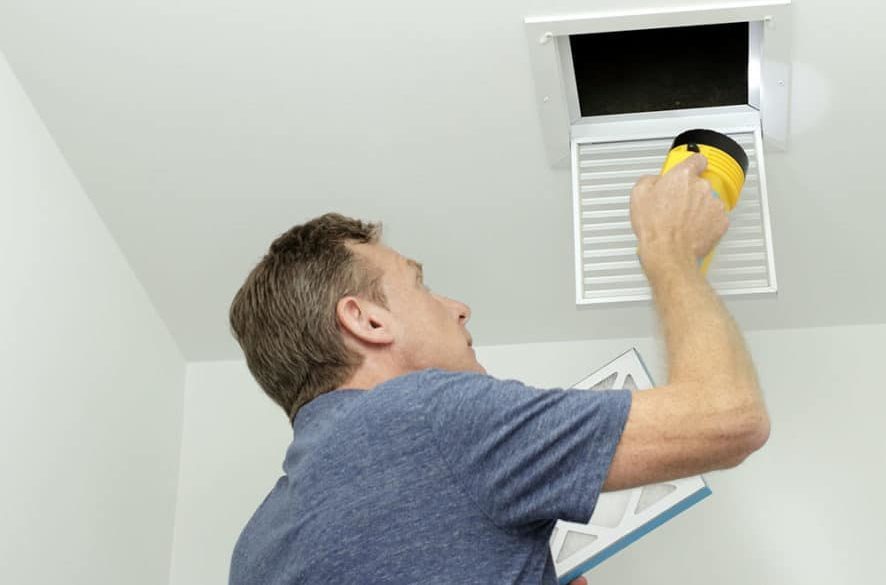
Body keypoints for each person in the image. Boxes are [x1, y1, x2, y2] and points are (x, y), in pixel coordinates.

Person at [227, 154, 770, 584]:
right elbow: (729, 418)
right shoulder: (425, 416)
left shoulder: (254, 548)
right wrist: (669, 250)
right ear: (366, 319)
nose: (457, 308)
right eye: (419, 284)